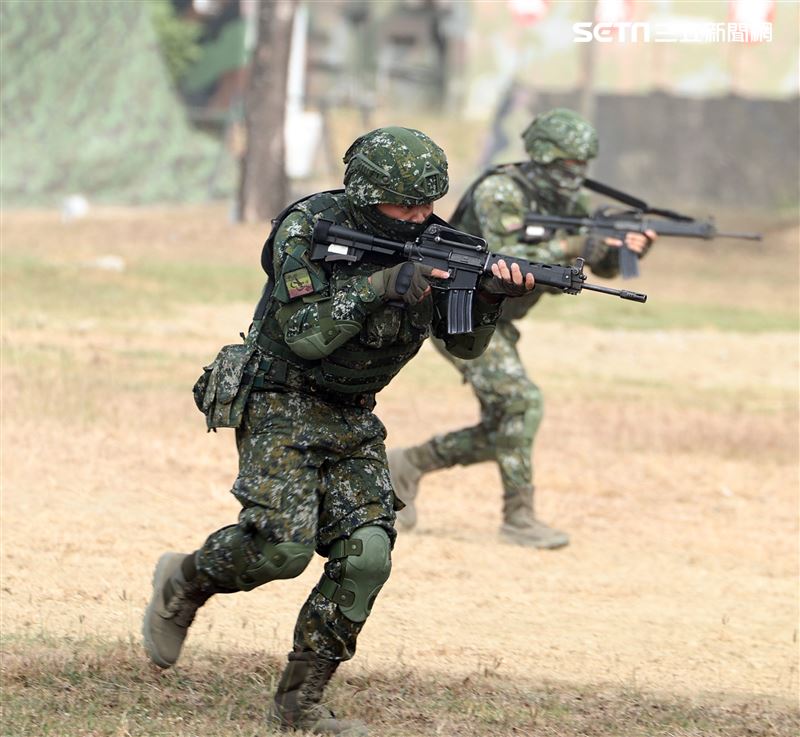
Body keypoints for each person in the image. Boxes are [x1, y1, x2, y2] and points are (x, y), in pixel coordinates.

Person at [142, 126, 534, 736]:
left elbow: (462, 344)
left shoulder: (445, 242)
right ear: (365, 194)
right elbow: (304, 336)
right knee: (282, 548)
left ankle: (301, 703)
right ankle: (185, 581)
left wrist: (487, 296)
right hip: (279, 395)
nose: (419, 218)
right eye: (405, 205)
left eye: (429, 204)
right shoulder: (310, 226)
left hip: (352, 411)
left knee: (369, 552)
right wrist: (383, 284)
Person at [388, 108, 657, 550]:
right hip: (458, 311)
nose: (577, 176)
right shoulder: (500, 190)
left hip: (500, 321)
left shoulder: (567, 202)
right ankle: (519, 517)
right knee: (521, 402)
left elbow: (583, 265)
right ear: (545, 158)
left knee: (510, 424)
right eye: (569, 166)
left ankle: (409, 464)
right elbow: (504, 256)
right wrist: (577, 243)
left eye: (583, 167)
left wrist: (622, 250)